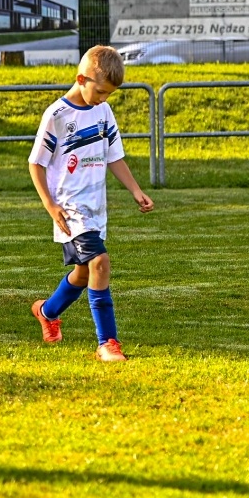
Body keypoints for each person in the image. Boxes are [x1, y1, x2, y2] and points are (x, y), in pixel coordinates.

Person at [28, 45, 155, 362]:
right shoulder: (57, 116)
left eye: (109, 94)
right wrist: (50, 205)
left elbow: (115, 156)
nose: (103, 98)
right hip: (70, 209)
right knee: (100, 263)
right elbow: (36, 164)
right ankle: (107, 343)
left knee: (85, 274)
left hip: (97, 210)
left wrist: (135, 191)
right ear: (80, 78)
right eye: (99, 91)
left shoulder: (104, 112)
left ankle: (47, 311)